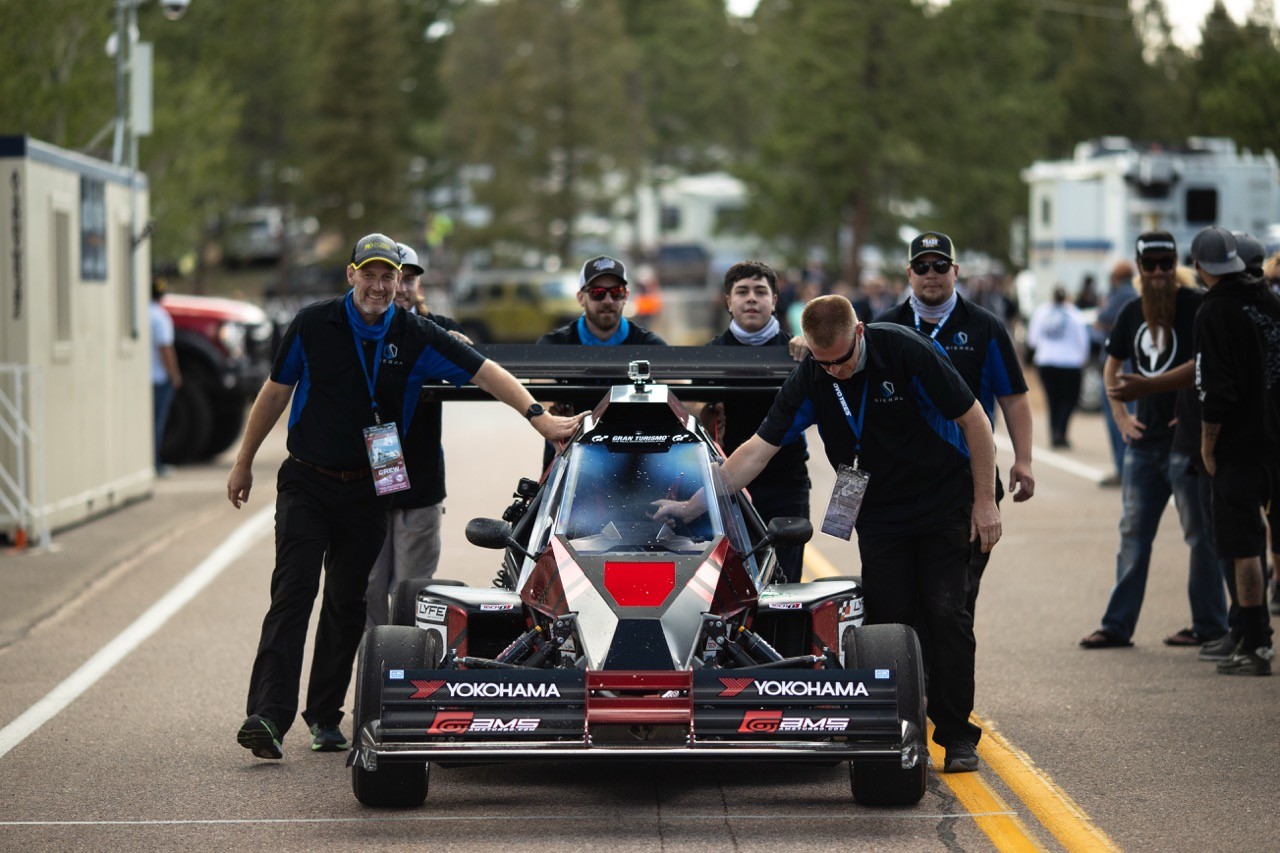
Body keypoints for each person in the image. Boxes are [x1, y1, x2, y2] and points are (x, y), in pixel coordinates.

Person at [228, 233, 583, 759]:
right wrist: (243, 461)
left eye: (388, 277)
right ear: (351, 275)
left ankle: (325, 716)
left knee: (348, 601)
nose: (378, 286)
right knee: (293, 592)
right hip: (307, 479)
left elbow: (485, 372)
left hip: (370, 486)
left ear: (400, 282)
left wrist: (539, 419)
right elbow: (275, 393)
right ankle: (267, 715)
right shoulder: (312, 324)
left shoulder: (416, 333)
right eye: (369, 274)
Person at [658, 294, 1000, 773]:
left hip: (943, 498)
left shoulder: (905, 350)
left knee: (945, 612)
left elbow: (975, 421)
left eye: (842, 360)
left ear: (859, 332)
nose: (835, 371)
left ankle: (957, 734)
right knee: (889, 618)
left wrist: (985, 502)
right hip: (879, 509)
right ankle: (899, 729)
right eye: (824, 364)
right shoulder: (812, 376)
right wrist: (693, 505)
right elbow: (757, 450)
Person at [1079, 232, 1228, 650]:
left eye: (1166, 263)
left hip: (1187, 444)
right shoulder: (1131, 310)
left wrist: (1184, 405)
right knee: (1132, 535)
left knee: (1200, 537)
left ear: (1176, 263)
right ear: (1140, 268)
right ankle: (1116, 626)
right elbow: (1111, 366)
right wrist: (1120, 416)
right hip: (1144, 445)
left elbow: (1205, 364)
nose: (1160, 271)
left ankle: (1209, 625)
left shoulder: (1197, 304)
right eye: (1151, 264)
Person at [878, 232, 1035, 614]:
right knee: (902, 599)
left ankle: (947, 654)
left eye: (940, 265)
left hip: (967, 475)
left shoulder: (985, 326)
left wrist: (1024, 460)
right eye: (922, 266)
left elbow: (1013, 398)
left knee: (955, 600)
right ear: (909, 273)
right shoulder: (884, 326)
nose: (931, 273)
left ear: (956, 271)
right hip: (902, 478)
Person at [363, 244, 471, 627]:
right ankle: (373, 660)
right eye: (397, 278)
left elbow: (476, 368)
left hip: (421, 483)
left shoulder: (438, 330)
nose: (403, 287)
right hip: (367, 482)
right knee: (368, 588)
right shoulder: (361, 328)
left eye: (409, 279)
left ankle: (406, 661)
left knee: (412, 591)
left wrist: (460, 348)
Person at [1190, 226, 1280, 675]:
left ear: (1199, 266)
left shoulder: (1213, 310)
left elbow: (1215, 389)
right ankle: (1248, 636)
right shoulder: (1270, 302)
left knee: (1245, 546)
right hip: (1275, 438)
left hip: (1239, 446)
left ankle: (1257, 643)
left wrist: (1208, 445)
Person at [702, 261, 811, 583]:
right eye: (742, 291)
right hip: (728, 487)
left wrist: (813, 346)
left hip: (786, 485)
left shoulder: (798, 351)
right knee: (730, 584)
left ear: (774, 301)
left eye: (760, 291)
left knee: (785, 585)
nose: (752, 298)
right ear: (728, 301)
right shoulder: (708, 356)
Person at [536, 256, 666, 469]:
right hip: (568, 465)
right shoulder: (554, 346)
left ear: (626, 296)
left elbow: (683, 396)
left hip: (635, 465)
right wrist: (549, 413)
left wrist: (702, 411)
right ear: (581, 298)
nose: (608, 300)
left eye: (616, 292)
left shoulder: (651, 346)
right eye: (597, 293)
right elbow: (541, 396)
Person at [1026, 286, 1090, 448]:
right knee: (1069, 399)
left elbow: (1032, 339)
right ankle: (1060, 432)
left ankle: (1055, 432)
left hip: (1046, 361)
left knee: (1053, 399)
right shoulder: (1073, 313)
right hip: (1069, 362)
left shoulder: (1042, 311)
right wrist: (1083, 358)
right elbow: (1082, 339)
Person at [1094, 261, 1140, 485]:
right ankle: (1130, 468)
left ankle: (1124, 469)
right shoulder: (1137, 295)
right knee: (1132, 417)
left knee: (1118, 420)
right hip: (1134, 365)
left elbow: (1101, 320)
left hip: (1119, 366)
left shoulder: (1121, 295)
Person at [149, 278, 183, 475]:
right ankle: (156, 463)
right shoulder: (160, 317)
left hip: (143, 378)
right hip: (159, 378)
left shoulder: (140, 313)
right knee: (157, 422)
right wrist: (175, 374)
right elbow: (165, 348)